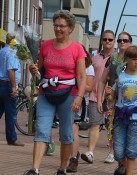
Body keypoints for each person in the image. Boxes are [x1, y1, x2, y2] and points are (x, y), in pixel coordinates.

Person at [24, 10, 86, 175]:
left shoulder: (77, 48)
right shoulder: (45, 45)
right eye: (56, 25)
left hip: (69, 94)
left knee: (66, 132)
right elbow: (40, 69)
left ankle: (62, 168)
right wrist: (33, 69)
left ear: (70, 28)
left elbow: (81, 76)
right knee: (42, 130)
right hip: (46, 93)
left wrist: (79, 97)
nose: (58, 29)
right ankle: (35, 169)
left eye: (62, 26)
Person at [107, 45, 137, 175]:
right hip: (120, 117)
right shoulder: (120, 77)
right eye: (134, 59)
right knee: (118, 151)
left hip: (136, 118)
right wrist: (109, 93)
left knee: (132, 151)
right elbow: (113, 97)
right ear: (127, 59)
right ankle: (122, 165)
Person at [97, 31, 135, 164]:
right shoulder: (112, 58)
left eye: (125, 40)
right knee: (110, 125)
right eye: (119, 40)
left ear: (130, 43)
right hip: (112, 99)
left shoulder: (134, 59)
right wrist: (99, 99)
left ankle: (124, 155)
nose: (122, 43)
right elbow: (102, 80)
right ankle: (112, 153)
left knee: (125, 127)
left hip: (129, 101)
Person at [80, 30, 116, 165]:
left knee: (111, 127)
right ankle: (90, 152)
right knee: (94, 125)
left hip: (112, 98)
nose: (107, 42)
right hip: (95, 96)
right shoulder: (95, 58)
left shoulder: (117, 58)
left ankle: (112, 153)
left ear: (114, 41)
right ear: (101, 41)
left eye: (110, 40)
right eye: (105, 39)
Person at [66, 46, 94, 173]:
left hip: (79, 101)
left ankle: (73, 160)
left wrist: (76, 82)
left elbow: (89, 87)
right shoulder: (69, 65)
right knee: (66, 131)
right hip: (65, 99)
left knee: (73, 129)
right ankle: (74, 152)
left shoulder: (88, 68)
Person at [0, 33, 24, 146]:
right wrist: (14, 86)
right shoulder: (12, 53)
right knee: (10, 113)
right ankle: (12, 138)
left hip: (1, 84)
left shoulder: (1, 51)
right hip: (8, 85)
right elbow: (10, 70)